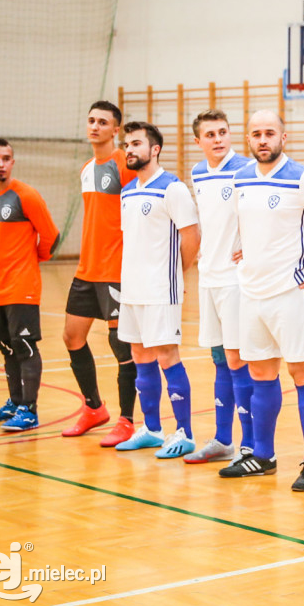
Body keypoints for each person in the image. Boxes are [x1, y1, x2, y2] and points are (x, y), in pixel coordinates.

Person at [219, 110, 304, 489]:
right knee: (260, 375)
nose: (263, 140)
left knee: (303, 375)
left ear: (284, 138)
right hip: (251, 295)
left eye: (270, 133)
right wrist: (243, 248)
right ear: (249, 140)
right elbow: (246, 225)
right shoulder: (239, 179)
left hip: (293, 294)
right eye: (256, 134)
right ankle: (262, 456)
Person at [113, 121, 202, 459]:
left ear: (155, 149)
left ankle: (185, 433)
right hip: (132, 290)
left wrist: (176, 274)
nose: (130, 150)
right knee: (140, 356)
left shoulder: (173, 188)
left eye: (137, 143)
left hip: (160, 288)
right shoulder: (128, 191)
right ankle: (151, 429)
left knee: (167, 356)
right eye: (127, 144)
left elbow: (191, 236)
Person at [61, 101, 140, 446]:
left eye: (102, 122)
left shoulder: (126, 164)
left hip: (117, 269)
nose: (94, 126)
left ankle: (126, 420)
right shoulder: (86, 168)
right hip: (87, 269)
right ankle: (94, 408)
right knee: (71, 337)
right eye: (91, 120)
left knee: (119, 344)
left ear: (116, 129)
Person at [182, 109, 257, 465]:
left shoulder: (245, 169)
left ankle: (251, 444)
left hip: (237, 280)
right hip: (208, 278)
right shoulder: (196, 172)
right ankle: (223, 439)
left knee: (238, 360)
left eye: (223, 132)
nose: (218, 139)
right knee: (218, 361)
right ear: (198, 141)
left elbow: (265, 214)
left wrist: (254, 243)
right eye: (210, 134)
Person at [0, 139, 60, 431]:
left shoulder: (27, 196)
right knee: (6, 346)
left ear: (13, 163)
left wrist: (31, 260)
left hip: (22, 286)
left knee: (24, 346)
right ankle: (14, 401)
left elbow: (51, 236)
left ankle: (29, 409)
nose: (1, 164)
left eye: (6, 158)